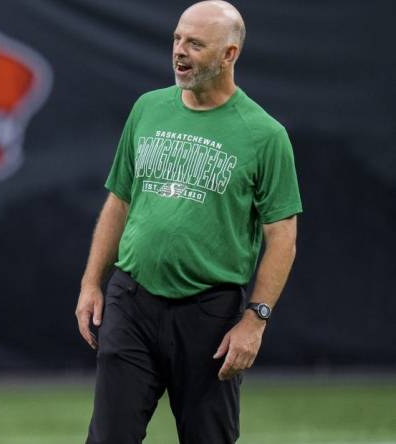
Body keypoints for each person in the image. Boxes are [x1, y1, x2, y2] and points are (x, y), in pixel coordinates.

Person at [75, 2, 302, 443]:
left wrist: (255, 320)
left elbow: (283, 239)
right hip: (132, 300)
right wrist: (91, 282)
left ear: (229, 54)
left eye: (196, 44)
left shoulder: (265, 134)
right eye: (178, 39)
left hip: (209, 315)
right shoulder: (147, 109)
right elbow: (119, 201)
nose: (180, 51)